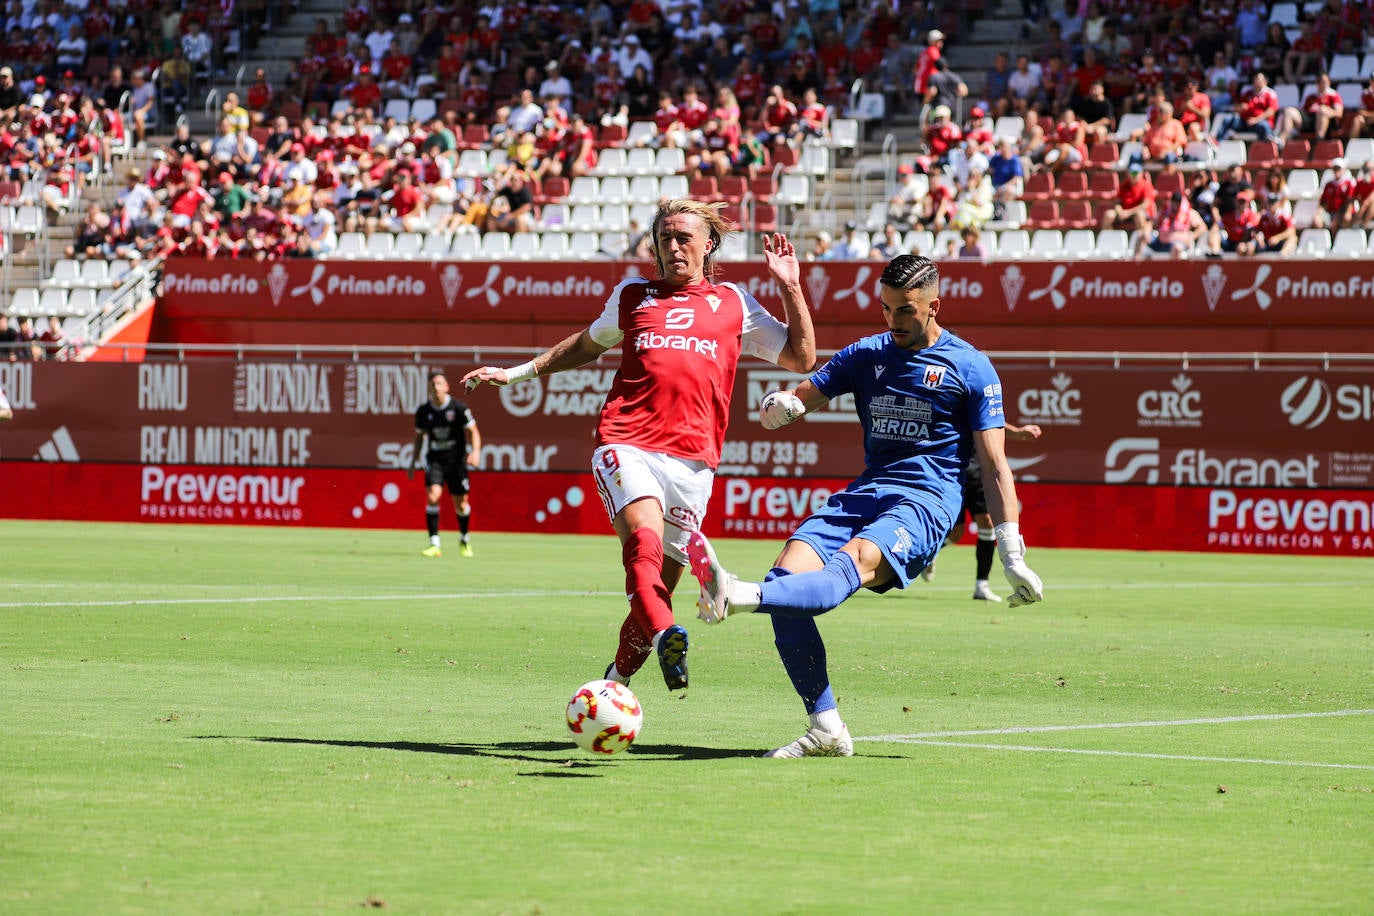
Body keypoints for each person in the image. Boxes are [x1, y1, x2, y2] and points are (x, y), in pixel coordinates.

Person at [684, 253, 1044, 756]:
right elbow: (805, 393)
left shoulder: (970, 366)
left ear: (934, 306)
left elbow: (996, 465)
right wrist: (783, 407)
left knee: (841, 574)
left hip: (925, 503)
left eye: (906, 311)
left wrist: (1012, 553)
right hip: (865, 493)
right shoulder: (867, 353)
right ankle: (827, 728)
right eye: (885, 309)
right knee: (785, 583)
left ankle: (735, 594)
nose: (892, 322)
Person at [461, 200, 815, 694]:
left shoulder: (734, 302)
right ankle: (668, 634)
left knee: (658, 591)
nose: (672, 247)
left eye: (683, 238)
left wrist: (791, 286)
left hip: (694, 464)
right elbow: (587, 344)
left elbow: (802, 358)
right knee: (642, 543)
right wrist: (518, 372)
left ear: (708, 244)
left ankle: (615, 681)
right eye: (663, 238)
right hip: (626, 442)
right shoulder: (632, 295)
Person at [920, 423, 1043, 599]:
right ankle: (929, 554)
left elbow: (990, 420)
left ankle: (981, 585)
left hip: (978, 469)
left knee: (987, 523)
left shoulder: (978, 397)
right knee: (955, 534)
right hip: (952, 470)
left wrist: (1016, 433)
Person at [410, 371, 482, 558]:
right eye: (433, 384)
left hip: (456, 462)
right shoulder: (424, 411)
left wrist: (475, 452)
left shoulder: (458, 408)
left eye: (439, 384)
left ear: (447, 387)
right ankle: (434, 543)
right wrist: (412, 461)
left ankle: (464, 539)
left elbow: (473, 431)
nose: (436, 387)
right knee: (433, 496)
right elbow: (419, 437)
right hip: (435, 460)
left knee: (461, 505)